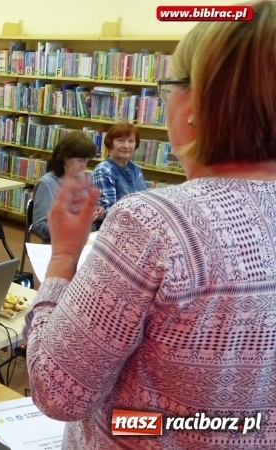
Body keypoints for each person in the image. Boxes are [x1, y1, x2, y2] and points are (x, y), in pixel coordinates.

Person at [26, 3, 276, 448]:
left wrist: (64, 255)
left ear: (196, 104)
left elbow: (58, 391)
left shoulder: (154, 225)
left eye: (167, 89)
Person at [31, 131, 105, 243]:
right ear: (65, 158)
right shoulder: (47, 184)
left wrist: (99, 211)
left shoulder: (85, 178)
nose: (84, 166)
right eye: (80, 160)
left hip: (87, 240)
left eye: (87, 160)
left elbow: (92, 209)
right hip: (60, 245)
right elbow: (40, 228)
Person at [91, 123, 147, 212]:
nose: (126, 146)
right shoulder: (103, 171)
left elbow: (145, 201)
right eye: (120, 140)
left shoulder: (136, 168)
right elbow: (111, 212)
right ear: (110, 144)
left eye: (131, 141)